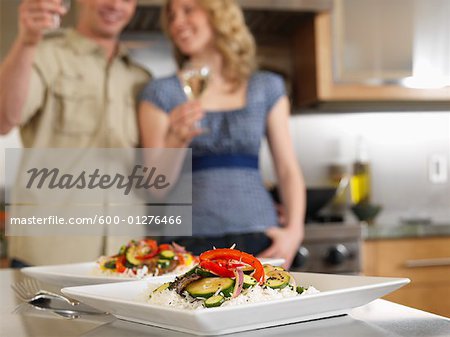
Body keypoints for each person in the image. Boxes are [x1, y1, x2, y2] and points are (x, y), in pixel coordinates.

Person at [139, 0, 306, 268]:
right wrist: (177, 139)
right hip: (186, 243)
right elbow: (155, 188)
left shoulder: (266, 87)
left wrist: (295, 232)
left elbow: (287, 169)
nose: (177, 22)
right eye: (171, 16)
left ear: (218, 13)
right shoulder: (160, 93)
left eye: (188, 10)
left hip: (260, 237)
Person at [0, 0, 151, 266]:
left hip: (124, 259)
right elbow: (4, 119)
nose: (115, 4)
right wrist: (26, 42)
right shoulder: (41, 53)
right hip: (47, 256)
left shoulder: (141, 79)